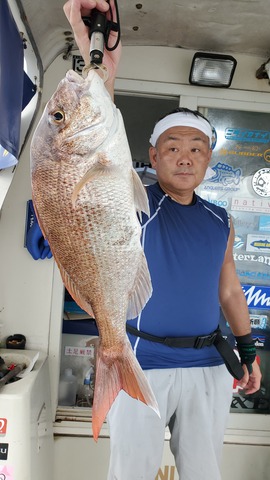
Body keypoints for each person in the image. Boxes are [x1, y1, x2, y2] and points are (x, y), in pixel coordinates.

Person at [62, 2, 261, 479]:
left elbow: (229, 289)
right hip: (141, 361)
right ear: (154, 154)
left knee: (204, 471)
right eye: (173, 148)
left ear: (209, 158)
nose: (185, 158)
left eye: (197, 149)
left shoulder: (221, 218)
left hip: (209, 365)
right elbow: (94, 137)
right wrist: (98, 61)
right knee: (131, 472)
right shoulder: (136, 201)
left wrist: (247, 349)